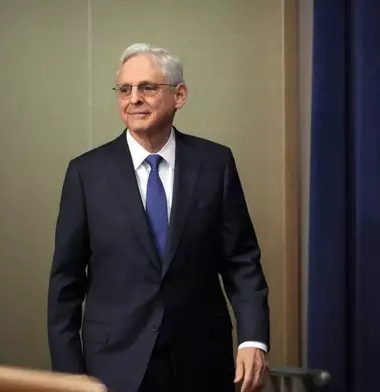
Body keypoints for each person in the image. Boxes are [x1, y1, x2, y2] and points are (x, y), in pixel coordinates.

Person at [46, 43, 270, 392]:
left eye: (147, 87)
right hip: (114, 367)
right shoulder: (86, 174)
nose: (134, 98)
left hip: (201, 362)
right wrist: (69, 376)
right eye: (125, 89)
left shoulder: (214, 164)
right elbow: (65, 286)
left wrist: (252, 340)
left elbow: (242, 262)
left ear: (179, 95)